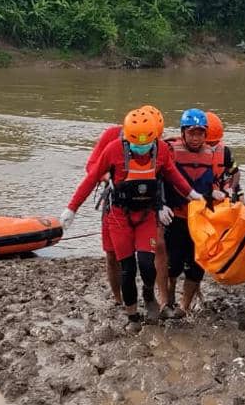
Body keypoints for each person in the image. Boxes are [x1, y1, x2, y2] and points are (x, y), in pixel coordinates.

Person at [62, 108, 202, 331]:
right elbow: (91, 177)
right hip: (119, 216)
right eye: (137, 144)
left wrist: (192, 195)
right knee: (127, 267)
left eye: (147, 143)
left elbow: (172, 175)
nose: (142, 148)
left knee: (146, 263)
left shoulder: (160, 149)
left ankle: (148, 293)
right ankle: (132, 315)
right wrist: (71, 209)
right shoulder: (113, 147)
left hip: (146, 214)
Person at [84, 105, 168, 309]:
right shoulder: (111, 136)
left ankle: (158, 297)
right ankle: (118, 299)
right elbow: (92, 166)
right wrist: (110, 178)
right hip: (116, 204)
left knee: (156, 248)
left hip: (148, 205)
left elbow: (169, 171)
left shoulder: (159, 145)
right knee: (112, 254)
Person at [163, 108, 233, 318]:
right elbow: (158, 179)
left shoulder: (214, 155)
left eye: (200, 133)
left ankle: (184, 307)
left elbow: (224, 179)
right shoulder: (170, 150)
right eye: (191, 133)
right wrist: (160, 206)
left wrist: (223, 191)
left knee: (196, 265)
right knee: (172, 264)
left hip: (202, 220)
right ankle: (168, 299)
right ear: (183, 133)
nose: (196, 138)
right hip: (176, 217)